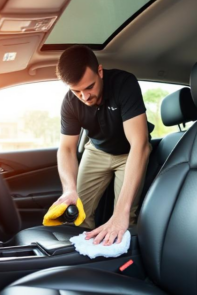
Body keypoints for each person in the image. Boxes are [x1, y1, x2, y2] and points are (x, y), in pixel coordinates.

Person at [53, 45, 152, 246]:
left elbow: (139, 144)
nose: (85, 97)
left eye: (89, 87)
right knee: (77, 215)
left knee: (124, 219)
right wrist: (69, 189)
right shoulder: (71, 102)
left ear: (99, 71)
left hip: (129, 153)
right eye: (77, 91)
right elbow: (67, 149)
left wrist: (120, 213)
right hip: (96, 150)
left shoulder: (124, 84)